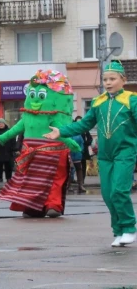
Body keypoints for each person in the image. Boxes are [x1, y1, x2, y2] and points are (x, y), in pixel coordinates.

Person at [45, 60, 137, 247]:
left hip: (125, 152)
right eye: (105, 79)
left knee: (119, 191)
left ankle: (129, 227)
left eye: (112, 79)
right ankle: (118, 231)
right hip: (105, 154)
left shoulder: (131, 99)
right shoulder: (98, 101)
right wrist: (61, 131)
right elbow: (84, 124)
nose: (108, 82)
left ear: (123, 80)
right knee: (107, 194)